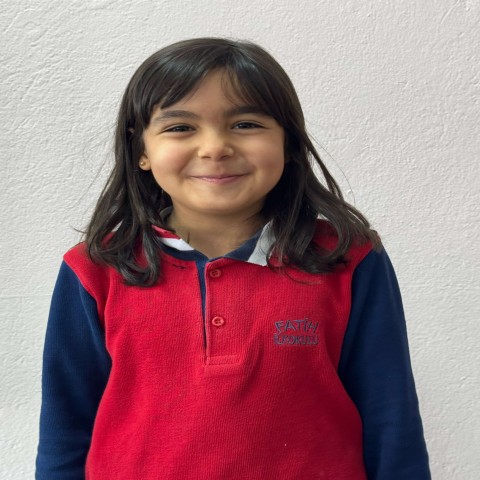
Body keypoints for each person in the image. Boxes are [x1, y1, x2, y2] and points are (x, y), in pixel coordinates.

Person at [35, 38, 430, 479]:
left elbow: (391, 419)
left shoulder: (349, 259)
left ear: (288, 141)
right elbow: (65, 426)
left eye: (245, 123)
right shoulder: (94, 269)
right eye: (180, 127)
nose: (215, 147)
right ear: (141, 150)